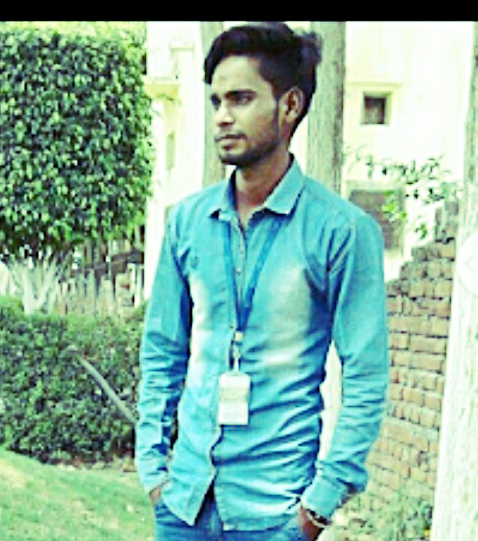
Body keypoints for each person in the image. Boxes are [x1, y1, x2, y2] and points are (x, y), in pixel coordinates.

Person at [135, 21, 389, 541]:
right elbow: (163, 350)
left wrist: (318, 507)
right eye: (216, 101)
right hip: (184, 505)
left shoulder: (341, 231)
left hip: (276, 515)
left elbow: (366, 376)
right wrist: (153, 469)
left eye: (241, 99)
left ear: (290, 104)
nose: (222, 117)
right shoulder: (188, 222)